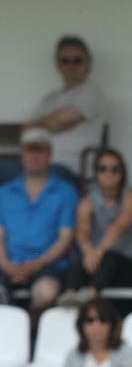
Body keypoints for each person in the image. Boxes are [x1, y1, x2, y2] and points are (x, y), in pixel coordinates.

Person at [0, 128, 79, 318]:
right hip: (8, 262)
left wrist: (35, 264)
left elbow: (65, 238)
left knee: (46, 293)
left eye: (40, 151)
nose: (34, 157)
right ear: (22, 154)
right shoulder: (4, 192)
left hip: (48, 264)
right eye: (29, 151)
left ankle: (32, 335)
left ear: (49, 154)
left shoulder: (66, 191)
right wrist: (6, 265)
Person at [57, 148, 132, 306]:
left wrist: (98, 251)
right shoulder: (88, 200)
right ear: (96, 173)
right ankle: (70, 295)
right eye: (103, 169)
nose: (109, 173)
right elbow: (82, 231)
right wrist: (87, 251)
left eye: (115, 169)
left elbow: (118, 226)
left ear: (123, 173)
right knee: (78, 262)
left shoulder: (131, 196)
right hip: (100, 268)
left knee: (109, 257)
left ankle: (90, 294)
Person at [21, 35, 108, 184]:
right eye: (65, 61)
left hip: (71, 168)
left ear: (88, 64)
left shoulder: (92, 92)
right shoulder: (49, 99)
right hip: (35, 163)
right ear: (58, 65)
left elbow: (69, 117)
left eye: (77, 60)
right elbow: (27, 132)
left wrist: (41, 126)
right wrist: (54, 123)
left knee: (45, 179)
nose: (71, 65)